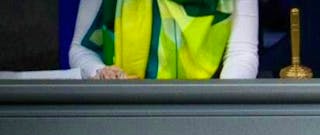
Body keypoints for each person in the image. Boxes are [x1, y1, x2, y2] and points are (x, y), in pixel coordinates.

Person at [69, 0, 258, 79]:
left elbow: (242, 54)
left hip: (201, 115)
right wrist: (102, 74)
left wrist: (218, 107)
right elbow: (80, 50)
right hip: (122, 110)